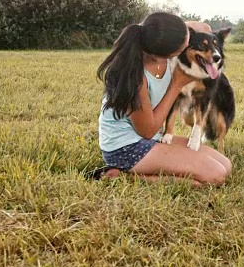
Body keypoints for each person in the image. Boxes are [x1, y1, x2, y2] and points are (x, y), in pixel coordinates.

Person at [93, 12, 232, 186]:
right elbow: (147, 131)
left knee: (226, 165)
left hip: (152, 140)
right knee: (215, 176)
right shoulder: (135, 76)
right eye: (184, 46)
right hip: (126, 148)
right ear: (163, 54)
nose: (188, 44)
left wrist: (181, 28)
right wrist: (176, 85)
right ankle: (122, 175)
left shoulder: (161, 46)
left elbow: (204, 29)